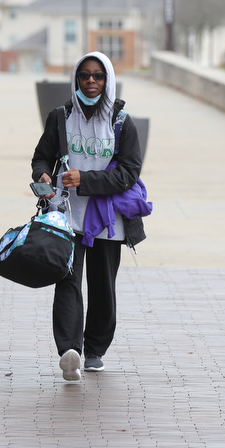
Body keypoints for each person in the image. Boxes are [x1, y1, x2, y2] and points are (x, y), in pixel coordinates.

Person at [31, 51, 147, 382]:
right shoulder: (60, 118)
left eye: (98, 76)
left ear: (107, 80)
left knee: (102, 286)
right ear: (76, 80)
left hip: (108, 221)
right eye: (85, 76)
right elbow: (41, 157)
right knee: (67, 280)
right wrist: (42, 175)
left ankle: (95, 348)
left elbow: (129, 174)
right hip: (66, 217)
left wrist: (85, 180)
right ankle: (70, 351)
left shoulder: (123, 124)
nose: (91, 81)